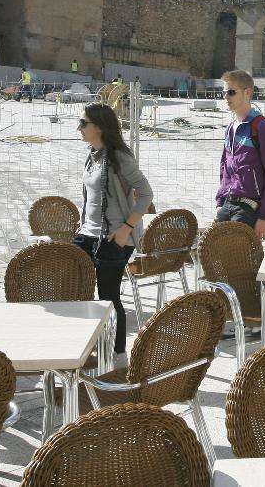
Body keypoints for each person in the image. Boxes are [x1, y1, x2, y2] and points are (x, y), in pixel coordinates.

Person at [73, 103, 154, 357]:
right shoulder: (92, 155)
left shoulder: (119, 157)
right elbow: (92, 198)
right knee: (75, 284)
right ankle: (91, 344)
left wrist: (126, 229)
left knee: (109, 297)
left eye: (83, 123)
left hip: (114, 236)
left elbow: (146, 193)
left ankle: (117, 356)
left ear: (98, 126)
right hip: (88, 233)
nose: (80, 128)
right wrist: (84, 222)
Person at [215, 70, 265, 239]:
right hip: (228, 203)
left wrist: (264, 216)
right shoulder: (230, 129)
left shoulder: (262, 128)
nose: (226, 97)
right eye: (223, 92)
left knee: (239, 259)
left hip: (251, 208)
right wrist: (220, 201)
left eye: (231, 92)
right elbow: (225, 167)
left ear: (247, 92)